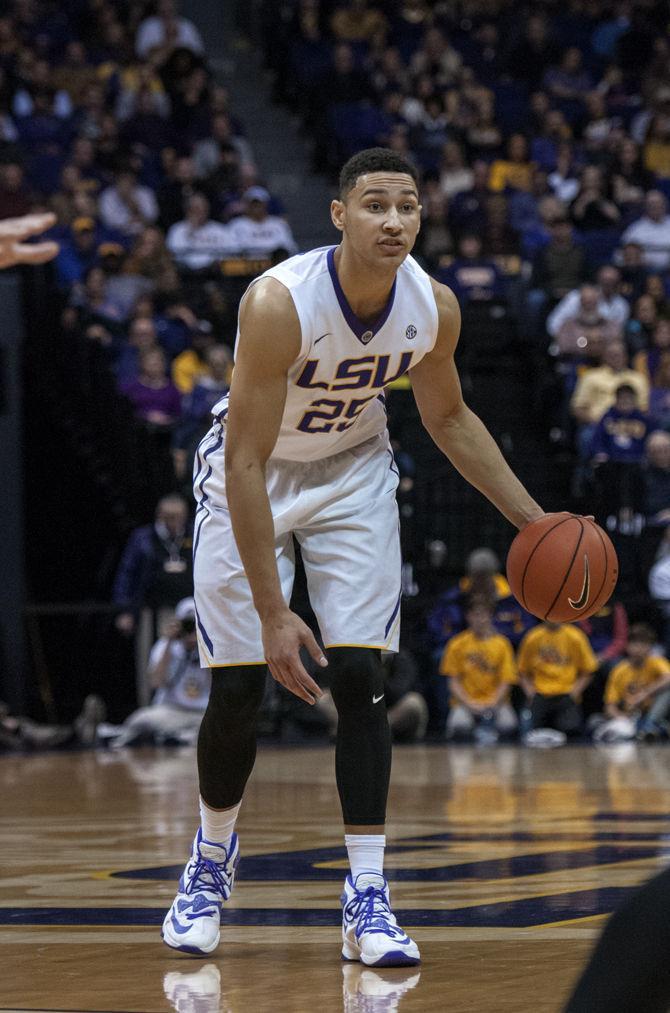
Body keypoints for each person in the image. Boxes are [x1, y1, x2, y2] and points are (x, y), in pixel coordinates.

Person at [161, 147, 546, 964]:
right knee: (236, 686)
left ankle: (367, 893)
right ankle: (209, 859)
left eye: (407, 206)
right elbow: (247, 463)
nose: (395, 221)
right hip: (253, 469)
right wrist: (274, 613)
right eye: (375, 205)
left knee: (363, 678)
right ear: (339, 214)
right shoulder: (278, 303)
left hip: (355, 469)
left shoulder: (432, 306)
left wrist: (533, 522)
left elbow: (449, 420)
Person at [100, 598, 211, 748]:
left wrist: (206, 642)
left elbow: (219, 686)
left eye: (196, 623)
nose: (191, 629)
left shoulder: (212, 646)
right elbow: (156, 683)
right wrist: (169, 642)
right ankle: (116, 736)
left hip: (202, 714)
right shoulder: (166, 646)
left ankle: (176, 738)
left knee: (216, 727)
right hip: (172, 710)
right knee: (140, 719)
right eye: (187, 624)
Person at [439, 599, 518, 742]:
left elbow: (506, 681)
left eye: (483, 615)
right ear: (468, 616)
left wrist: (493, 703)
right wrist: (469, 704)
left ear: (490, 616)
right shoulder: (456, 644)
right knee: (459, 726)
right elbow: (453, 682)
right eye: (475, 615)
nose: (479, 619)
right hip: (465, 702)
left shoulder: (502, 644)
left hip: (497, 703)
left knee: (508, 726)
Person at [518, 621, 598, 740]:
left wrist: (574, 693)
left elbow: (589, 671)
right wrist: (531, 693)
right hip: (540, 694)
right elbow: (522, 672)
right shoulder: (532, 637)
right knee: (527, 728)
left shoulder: (575, 636)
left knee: (572, 731)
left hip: (566, 694)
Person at [594, 622, 670, 742]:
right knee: (594, 721)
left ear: (650, 647)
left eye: (644, 644)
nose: (639, 649)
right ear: (627, 646)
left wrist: (644, 693)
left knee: (668, 691)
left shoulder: (656, 662)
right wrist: (621, 717)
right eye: (635, 644)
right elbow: (609, 706)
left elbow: (668, 677)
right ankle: (652, 729)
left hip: (651, 712)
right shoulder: (619, 670)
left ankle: (649, 726)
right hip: (629, 714)